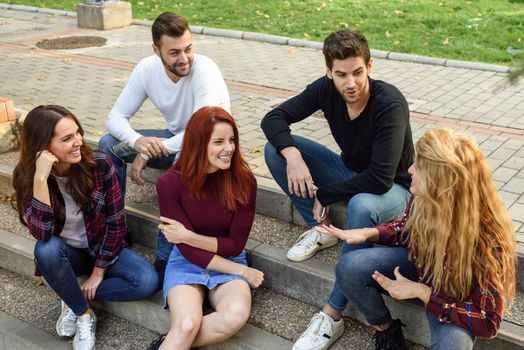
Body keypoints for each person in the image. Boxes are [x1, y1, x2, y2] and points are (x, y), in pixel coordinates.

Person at [261, 28, 414, 349]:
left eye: (358, 72)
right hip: (351, 174)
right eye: (341, 74)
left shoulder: (390, 104)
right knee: (275, 150)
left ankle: (332, 315)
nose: (351, 84)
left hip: (395, 191)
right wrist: (291, 155)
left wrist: (326, 193)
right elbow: (274, 118)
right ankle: (324, 228)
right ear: (329, 72)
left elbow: (381, 178)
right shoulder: (326, 90)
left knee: (361, 204)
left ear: (370, 66)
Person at [318, 127, 516, 350]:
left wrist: (422, 292)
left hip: (451, 297)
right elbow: (406, 228)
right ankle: (388, 334)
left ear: (441, 180)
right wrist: (371, 232)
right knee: (349, 265)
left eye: (419, 165)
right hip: (420, 271)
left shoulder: (488, 239)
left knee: (454, 346)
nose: (410, 169)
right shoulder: (423, 198)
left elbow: (489, 322)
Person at [13, 105, 159, 350]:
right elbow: (42, 233)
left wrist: (98, 272)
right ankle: (84, 313)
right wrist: (40, 179)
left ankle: (70, 297)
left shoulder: (99, 164)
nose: (78, 141)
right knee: (45, 250)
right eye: (67, 138)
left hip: (104, 248)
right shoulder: (28, 176)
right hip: (69, 255)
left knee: (146, 281)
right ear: (43, 147)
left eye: (77, 133)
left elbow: (116, 223)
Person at [98, 11, 230, 277]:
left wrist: (152, 151)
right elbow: (115, 117)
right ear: (156, 51)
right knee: (108, 143)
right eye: (174, 52)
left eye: (188, 48)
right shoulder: (147, 69)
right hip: (173, 139)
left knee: (176, 171)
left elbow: (201, 130)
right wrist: (138, 142)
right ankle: (114, 230)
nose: (184, 58)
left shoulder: (205, 70)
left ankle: (164, 258)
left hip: (211, 148)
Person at [146, 107, 264, 350]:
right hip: (186, 260)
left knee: (234, 316)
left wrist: (188, 236)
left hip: (229, 256)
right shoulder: (169, 183)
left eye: (231, 140)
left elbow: (235, 244)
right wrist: (242, 272)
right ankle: (178, 339)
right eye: (219, 142)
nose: (229, 148)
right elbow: (188, 250)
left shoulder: (244, 180)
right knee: (186, 324)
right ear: (199, 144)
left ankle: (170, 344)